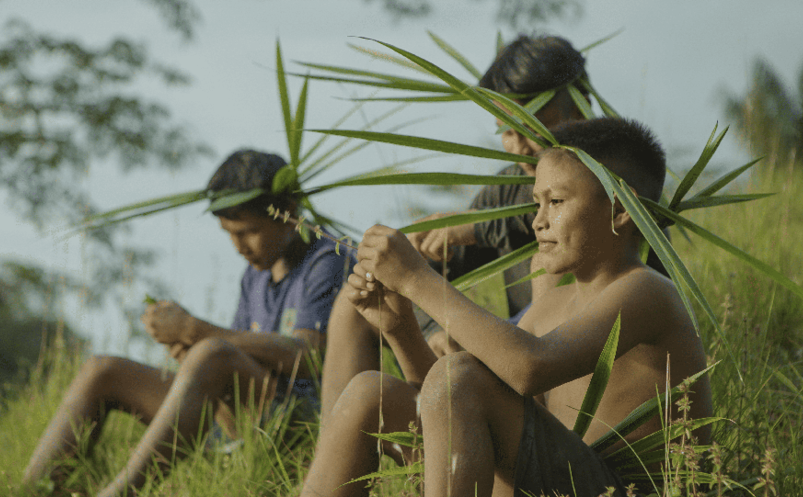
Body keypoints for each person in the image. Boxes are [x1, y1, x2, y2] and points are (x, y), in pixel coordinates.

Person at [299, 117, 713, 497]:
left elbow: (528, 368)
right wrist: (400, 327)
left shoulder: (646, 292)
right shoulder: (550, 304)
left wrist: (416, 280)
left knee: (460, 373)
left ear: (620, 210)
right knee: (371, 392)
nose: (538, 221)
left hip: (619, 489)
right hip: (549, 482)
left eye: (556, 202)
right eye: (537, 203)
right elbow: (453, 411)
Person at [22, 149, 354, 497]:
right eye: (229, 233)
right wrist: (189, 353)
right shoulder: (254, 276)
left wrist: (196, 333)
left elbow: (313, 356)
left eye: (249, 231)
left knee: (212, 352)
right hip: (239, 419)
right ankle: (30, 492)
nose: (239, 246)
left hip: (303, 425)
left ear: (287, 213)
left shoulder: (326, 260)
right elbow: (238, 356)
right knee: (102, 369)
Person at [319, 34, 591, 423]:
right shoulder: (509, 185)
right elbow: (431, 264)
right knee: (357, 301)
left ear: (577, 108)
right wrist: (432, 324)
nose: (515, 145)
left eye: (527, 126)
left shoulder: (615, 180)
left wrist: (474, 227)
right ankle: (337, 441)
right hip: (498, 358)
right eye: (505, 130)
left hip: (547, 369)